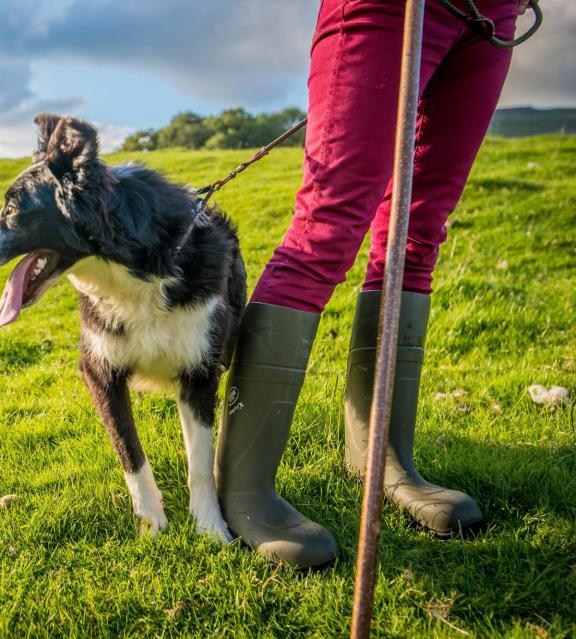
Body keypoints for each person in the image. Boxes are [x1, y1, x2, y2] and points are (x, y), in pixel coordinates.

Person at [215, 0, 531, 569]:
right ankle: (245, 491)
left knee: (417, 233)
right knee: (327, 226)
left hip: (491, 17)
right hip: (392, 7)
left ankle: (383, 459)